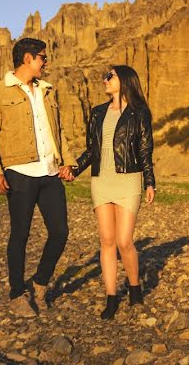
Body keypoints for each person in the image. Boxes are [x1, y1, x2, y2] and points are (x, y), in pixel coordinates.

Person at [0, 37, 76, 317]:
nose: (46, 63)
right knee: (20, 235)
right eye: (43, 58)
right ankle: (16, 294)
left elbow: (59, 133)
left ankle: (40, 283)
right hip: (19, 173)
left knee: (60, 232)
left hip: (50, 172)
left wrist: (67, 162)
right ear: (27, 59)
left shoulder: (47, 92)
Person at [71, 65, 156, 320]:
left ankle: (134, 287)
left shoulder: (139, 112)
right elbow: (91, 150)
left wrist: (149, 181)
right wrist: (75, 169)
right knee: (106, 242)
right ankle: (111, 296)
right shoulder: (97, 113)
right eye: (104, 76)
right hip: (101, 180)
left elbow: (145, 150)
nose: (105, 80)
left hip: (128, 180)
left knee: (123, 241)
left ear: (125, 80)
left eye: (110, 76)